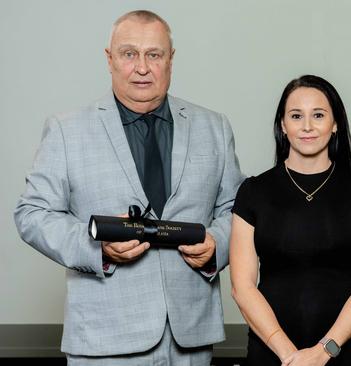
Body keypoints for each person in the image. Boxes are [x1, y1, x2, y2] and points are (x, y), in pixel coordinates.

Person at [14, 10, 244, 365]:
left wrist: (218, 245)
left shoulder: (214, 126)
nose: (142, 67)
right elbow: (31, 214)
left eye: (154, 54)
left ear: (170, 59)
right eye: (129, 54)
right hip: (103, 338)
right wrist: (98, 246)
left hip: (191, 337)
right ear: (109, 59)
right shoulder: (66, 130)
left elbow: (236, 209)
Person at [230, 75, 351, 365]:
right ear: (282, 125)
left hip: (345, 352)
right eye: (296, 116)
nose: (307, 126)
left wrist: (323, 351)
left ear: (335, 123)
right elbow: (242, 286)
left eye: (318, 115)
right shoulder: (253, 192)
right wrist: (289, 355)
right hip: (272, 354)